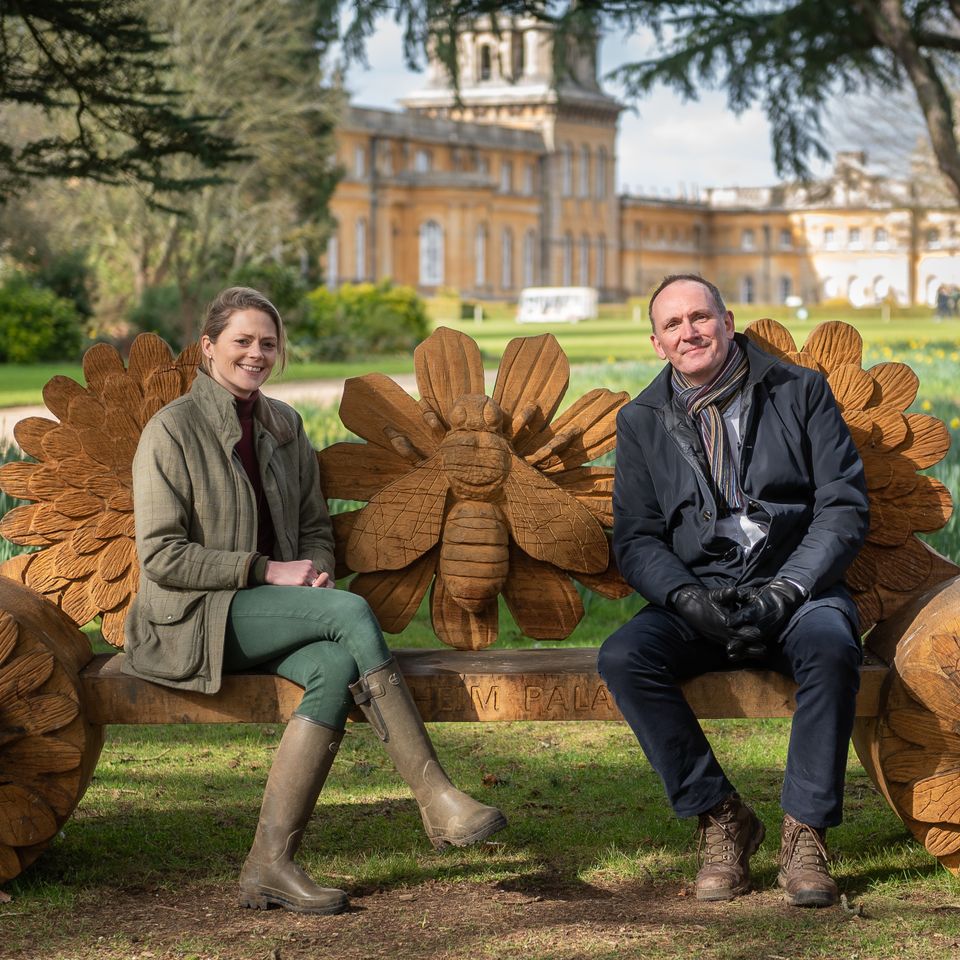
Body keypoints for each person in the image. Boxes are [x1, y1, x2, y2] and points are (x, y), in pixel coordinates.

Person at [123, 286, 506, 915]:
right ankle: (436, 797)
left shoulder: (285, 425)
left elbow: (316, 532)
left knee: (331, 667)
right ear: (208, 346)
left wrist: (317, 572)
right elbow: (162, 556)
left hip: (268, 611)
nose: (255, 354)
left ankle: (269, 866)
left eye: (266, 343)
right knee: (353, 614)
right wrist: (268, 570)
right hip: (192, 620)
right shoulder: (172, 431)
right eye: (241, 341)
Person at [598, 274, 869, 908]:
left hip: (798, 585)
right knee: (623, 657)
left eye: (700, 317)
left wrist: (791, 586)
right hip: (703, 593)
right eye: (673, 325)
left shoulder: (800, 391)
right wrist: (686, 598)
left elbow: (842, 508)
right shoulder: (641, 419)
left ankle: (806, 833)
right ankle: (721, 816)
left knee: (832, 646)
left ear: (727, 320)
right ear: (658, 342)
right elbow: (636, 538)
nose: (689, 332)